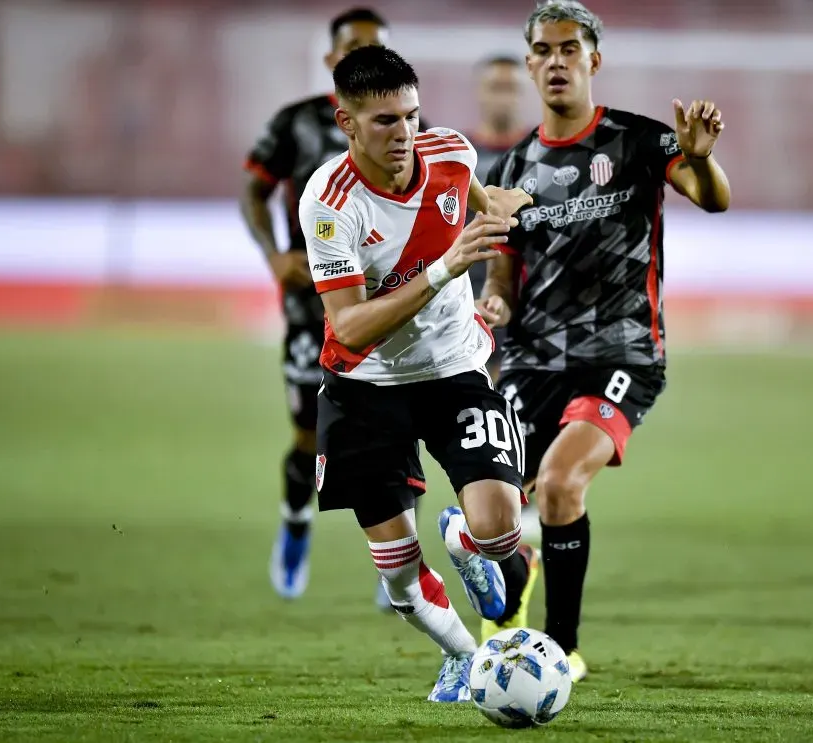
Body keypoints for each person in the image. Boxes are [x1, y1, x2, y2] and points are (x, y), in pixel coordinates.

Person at [477, 0, 731, 682]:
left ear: (594, 59)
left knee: (559, 483)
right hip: (532, 360)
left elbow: (714, 198)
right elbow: (503, 269)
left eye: (569, 49)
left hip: (622, 353)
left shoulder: (640, 141)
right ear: (529, 63)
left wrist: (702, 161)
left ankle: (559, 649)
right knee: (489, 506)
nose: (556, 61)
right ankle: (501, 622)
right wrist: (493, 299)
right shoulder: (509, 171)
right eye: (543, 50)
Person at [299, 45, 536, 701]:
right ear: (346, 123)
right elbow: (347, 327)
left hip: (455, 368)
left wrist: (500, 236)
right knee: (399, 577)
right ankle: (465, 658)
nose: (404, 133)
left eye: (410, 115)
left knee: (500, 528)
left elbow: (485, 210)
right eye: (383, 122)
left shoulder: (453, 153)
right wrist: (443, 270)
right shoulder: (329, 204)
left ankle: (463, 537)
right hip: (364, 387)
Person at [240, 8, 425, 609]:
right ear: (330, 60)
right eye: (354, 47)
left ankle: (396, 561)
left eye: (377, 47)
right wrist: (272, 254)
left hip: (390, 306)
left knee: (400, 426)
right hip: (311, 305)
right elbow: (253, 188)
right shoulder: (296, 123)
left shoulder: (407, 125)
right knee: (304, 435)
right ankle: (296, 519)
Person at [461, 54, 542, 543]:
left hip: (527, 300)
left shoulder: (540, 154)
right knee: (470, 405)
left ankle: (517, 499)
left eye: (511, 86)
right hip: (464, 298)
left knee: (522, 398)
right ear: (480, 91)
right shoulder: (458, 155)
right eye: (494, 85)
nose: (503, 94)